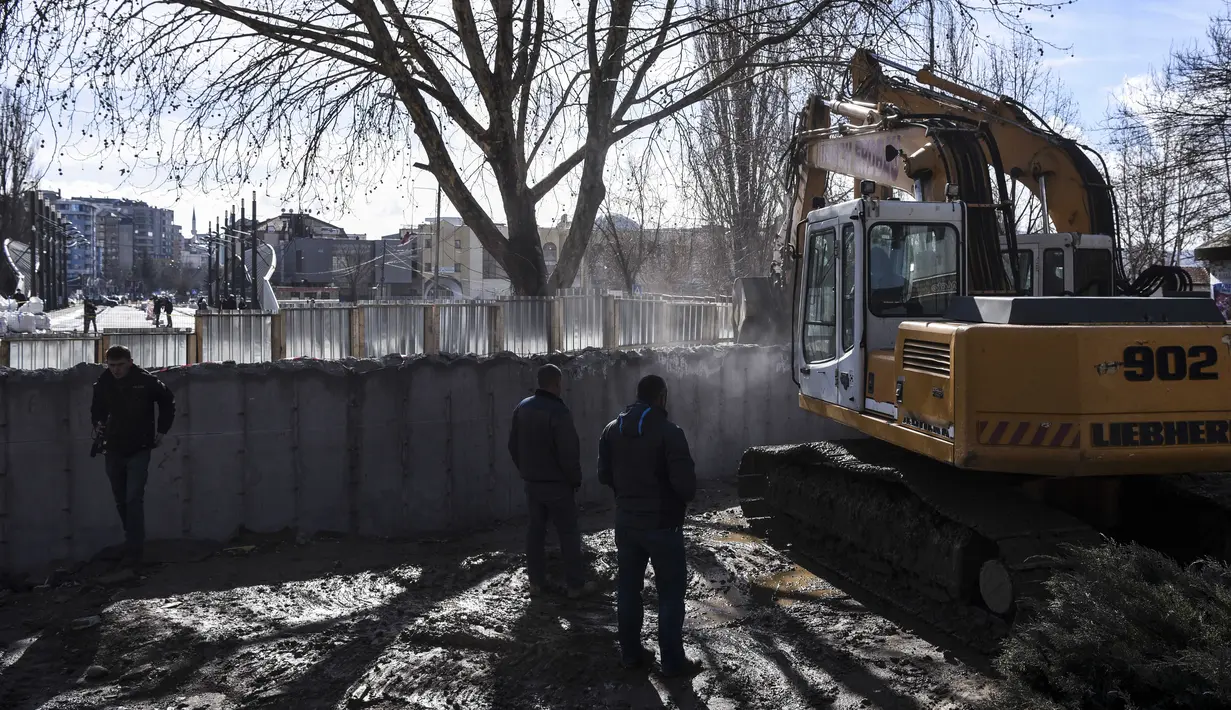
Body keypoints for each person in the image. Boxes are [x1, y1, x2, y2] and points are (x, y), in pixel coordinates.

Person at [598, 374, 700, 677]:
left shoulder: (610, 430)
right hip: (662, 526)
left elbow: (604, 476)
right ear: (662, 397)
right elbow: (687, 488)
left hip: (626, 524)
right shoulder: (671, 433)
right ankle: (672, 662)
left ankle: (631, 655)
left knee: (628, 589)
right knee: (670, 594)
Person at [508, 364, 596, 599]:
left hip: (533, 484)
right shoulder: (559, 412)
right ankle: (575, 586)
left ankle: (536, 583)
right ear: (557, 383)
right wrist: (575, 479)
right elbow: (568, 452)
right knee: (568, 533)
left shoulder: (522, 408)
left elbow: (512, 446)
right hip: (558, 486)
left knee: (535, 533)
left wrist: (526, 471)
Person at [90, 345, 176, 567]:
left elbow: (168, 401)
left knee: (133, 499)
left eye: (120, 365)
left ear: (130, 362)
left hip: (139, 447)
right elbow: (96, 408)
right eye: (112, 365)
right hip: (113, 448)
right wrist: (98, 424)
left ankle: (135, 550)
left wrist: (162, 430)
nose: (116, 370)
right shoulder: (104, 382)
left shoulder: (145, 381)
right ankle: (132, 544)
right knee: (121, 500)